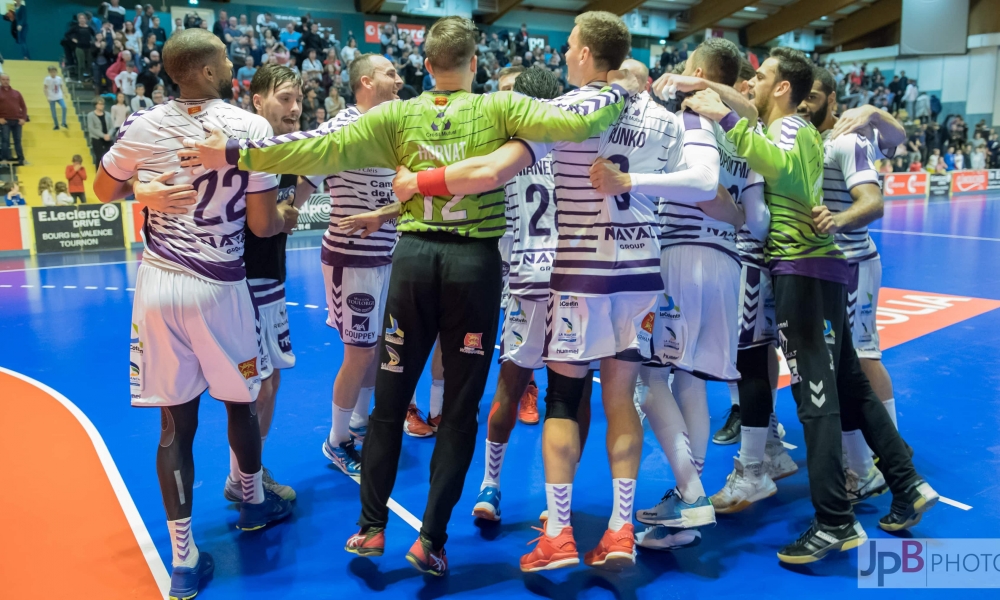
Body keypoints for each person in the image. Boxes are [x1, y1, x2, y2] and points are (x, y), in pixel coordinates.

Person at [180, 15, 640, 575]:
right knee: (460, 412)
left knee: (391, 402)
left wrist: (235, 153)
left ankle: (371, 529)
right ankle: (432, 541)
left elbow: (317, 148)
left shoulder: (397, 115)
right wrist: (619, 89)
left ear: (426, 67)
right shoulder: (500, 108)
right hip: (473, 269)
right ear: (474, 63)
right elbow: (574, 121)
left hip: (413, 262)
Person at [682, 47, 937, 563]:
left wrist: (726, 117)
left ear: (782, 89)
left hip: (802, 270)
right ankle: (907, 483)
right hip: (818, 271)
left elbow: (786, 175)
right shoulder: (796, 131)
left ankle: (834, 522)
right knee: (849, 384)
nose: (752, 81)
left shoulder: (787, 131)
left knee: (816, 398)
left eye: (762, 76)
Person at [93, 29, 298, 600]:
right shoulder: (250, 127)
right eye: (227, 59)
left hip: (158, 282)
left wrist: (141, 190)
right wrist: (292, 208)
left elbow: (104, 190)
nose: (233, 65)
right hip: (221, 284)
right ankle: (254, 504)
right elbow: (261, 225)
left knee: (173, 426)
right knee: (241, 403)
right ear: (207, 72)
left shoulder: (141, 123)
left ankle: (184, 560)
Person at [629, 43, 774, 552]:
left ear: (696, 75)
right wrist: (732, 217)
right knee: (689, 382)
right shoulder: (744, 133)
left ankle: (691, 495)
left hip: (680, 259)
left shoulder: (692, 117)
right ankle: (685, 516)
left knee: (649, 382)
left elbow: (703, 185)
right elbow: (758, 221)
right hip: (727, 266)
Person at [463, 66, 583, 522]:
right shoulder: (575, 144)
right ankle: (561, 503)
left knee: (510, 388)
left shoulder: (506, 150)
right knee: (570, 396)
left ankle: (489, 486)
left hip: (523, 281)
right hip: (572, 282)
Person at [801, 68, 909, 505]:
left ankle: (887, 454)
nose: (806, 103)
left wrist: (874, 110)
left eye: (813, 96)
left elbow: (875, 200)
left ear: (832, 100)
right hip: (822, 269)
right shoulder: (801, 138)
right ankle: (877, 456)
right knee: (838, 363)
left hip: (853, 265)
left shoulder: (848, 138)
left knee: (862, 358)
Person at [0, 74, 28, 165]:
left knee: (18, 140)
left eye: (7, 79)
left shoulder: (17, 93)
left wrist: (23, 118)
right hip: (5, 121)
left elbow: (23, 107)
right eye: (3, 79)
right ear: (0, 80)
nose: (6, 81)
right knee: (5, 140)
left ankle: (21, 159)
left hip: (17, 121)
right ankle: (4, 159)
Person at [87, 97, 115, 162]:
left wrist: (109, 135)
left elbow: (112, 127)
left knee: (110, 157)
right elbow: (91, 128)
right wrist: (103, 135)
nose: (102, 106)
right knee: (99, 157)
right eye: (100, 104)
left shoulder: (108, 114)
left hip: (108, 138)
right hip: (97, 138)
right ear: (95, 105)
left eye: (103, 104)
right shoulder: (90, 115)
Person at [44, 66, 68, 130]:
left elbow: (61, 86)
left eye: (54, 72)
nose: (53, 73)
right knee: (53, 113)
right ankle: (56, 125)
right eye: (51, 72)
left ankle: (63, 122)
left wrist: (64, 93)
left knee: (64, 107)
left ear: (56, 72)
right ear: (49, 72)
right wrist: (47, 97)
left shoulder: (59, 78)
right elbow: (45, 88)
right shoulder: (47, 79)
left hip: (59, 96)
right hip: (51, 97)